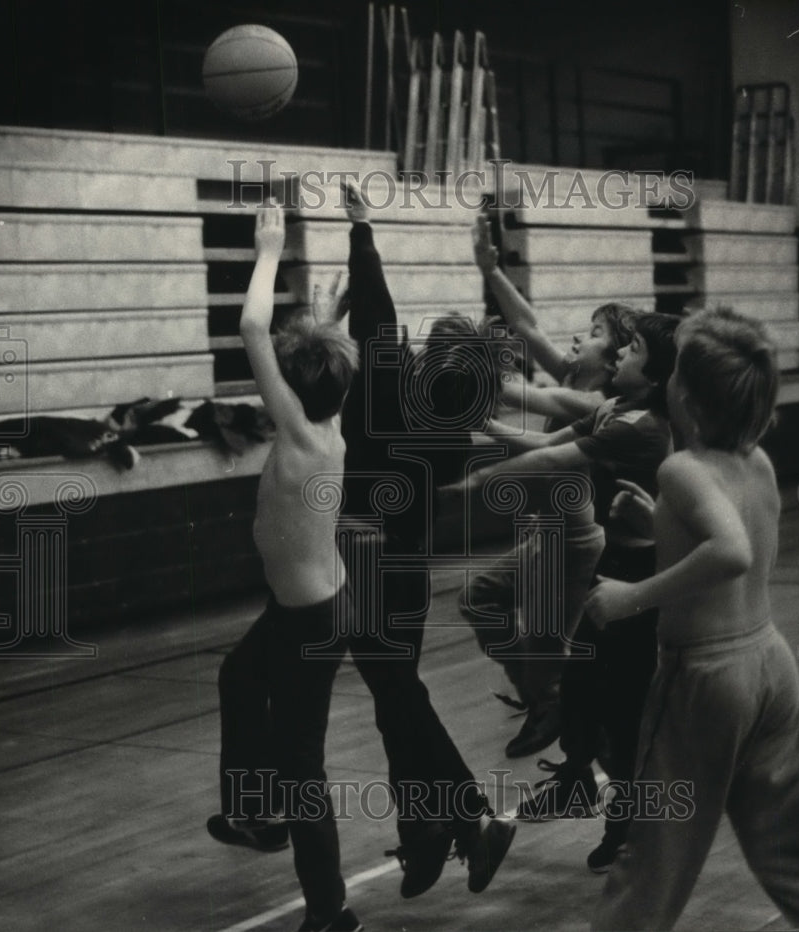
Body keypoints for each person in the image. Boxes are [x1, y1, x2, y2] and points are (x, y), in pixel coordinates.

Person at [584, 308, 799, 931]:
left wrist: (628, 598)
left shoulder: (681, 469)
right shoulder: (755, 460)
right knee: (792, 851)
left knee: (652, 862)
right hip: (770, 667)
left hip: (704, 679)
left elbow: (731, 552)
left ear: (682, 393)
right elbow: (729, 537)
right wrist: (656, 527)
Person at [336, 180, 516, 900]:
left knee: (399, 699)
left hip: (367, 561)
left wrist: (362, 231)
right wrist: (487, 281)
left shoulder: (387, 390)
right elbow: (472, 353)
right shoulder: (453, 424)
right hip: (407, 566)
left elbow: (375, 316)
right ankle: (426, 832)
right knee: (395, 698)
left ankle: (469, 816)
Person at [208, 205, 362, 932]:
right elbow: (326, 356)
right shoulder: (328, 417)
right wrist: (329, 313)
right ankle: (253, 813)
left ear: (293, 393)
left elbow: (250, 330)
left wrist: (270, 249)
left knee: (304, 768)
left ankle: (330, 911)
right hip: (306, 609)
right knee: (237, 677)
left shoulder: (301, 432)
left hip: (308, 623)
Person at [455, 312, 679, 761]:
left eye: (623, 345)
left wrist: (474, 481)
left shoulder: (632, 421)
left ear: (655, 375)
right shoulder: (611, 407)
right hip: (580, 548)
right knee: (485, 604)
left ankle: (589, 752)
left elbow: (551, 458)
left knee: (602, 695)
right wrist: (480, 416)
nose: (612, 349)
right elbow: (543, 441)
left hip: (609, 558)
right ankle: (564, 729)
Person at [472, 214, 637, 431]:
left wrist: (457, 365)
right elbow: (528, 327)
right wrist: (491, 270)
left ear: (611, 362)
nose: (578, 336)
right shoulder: (573, 376)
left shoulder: (596, 402)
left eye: (594, 334)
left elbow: (512, 392)